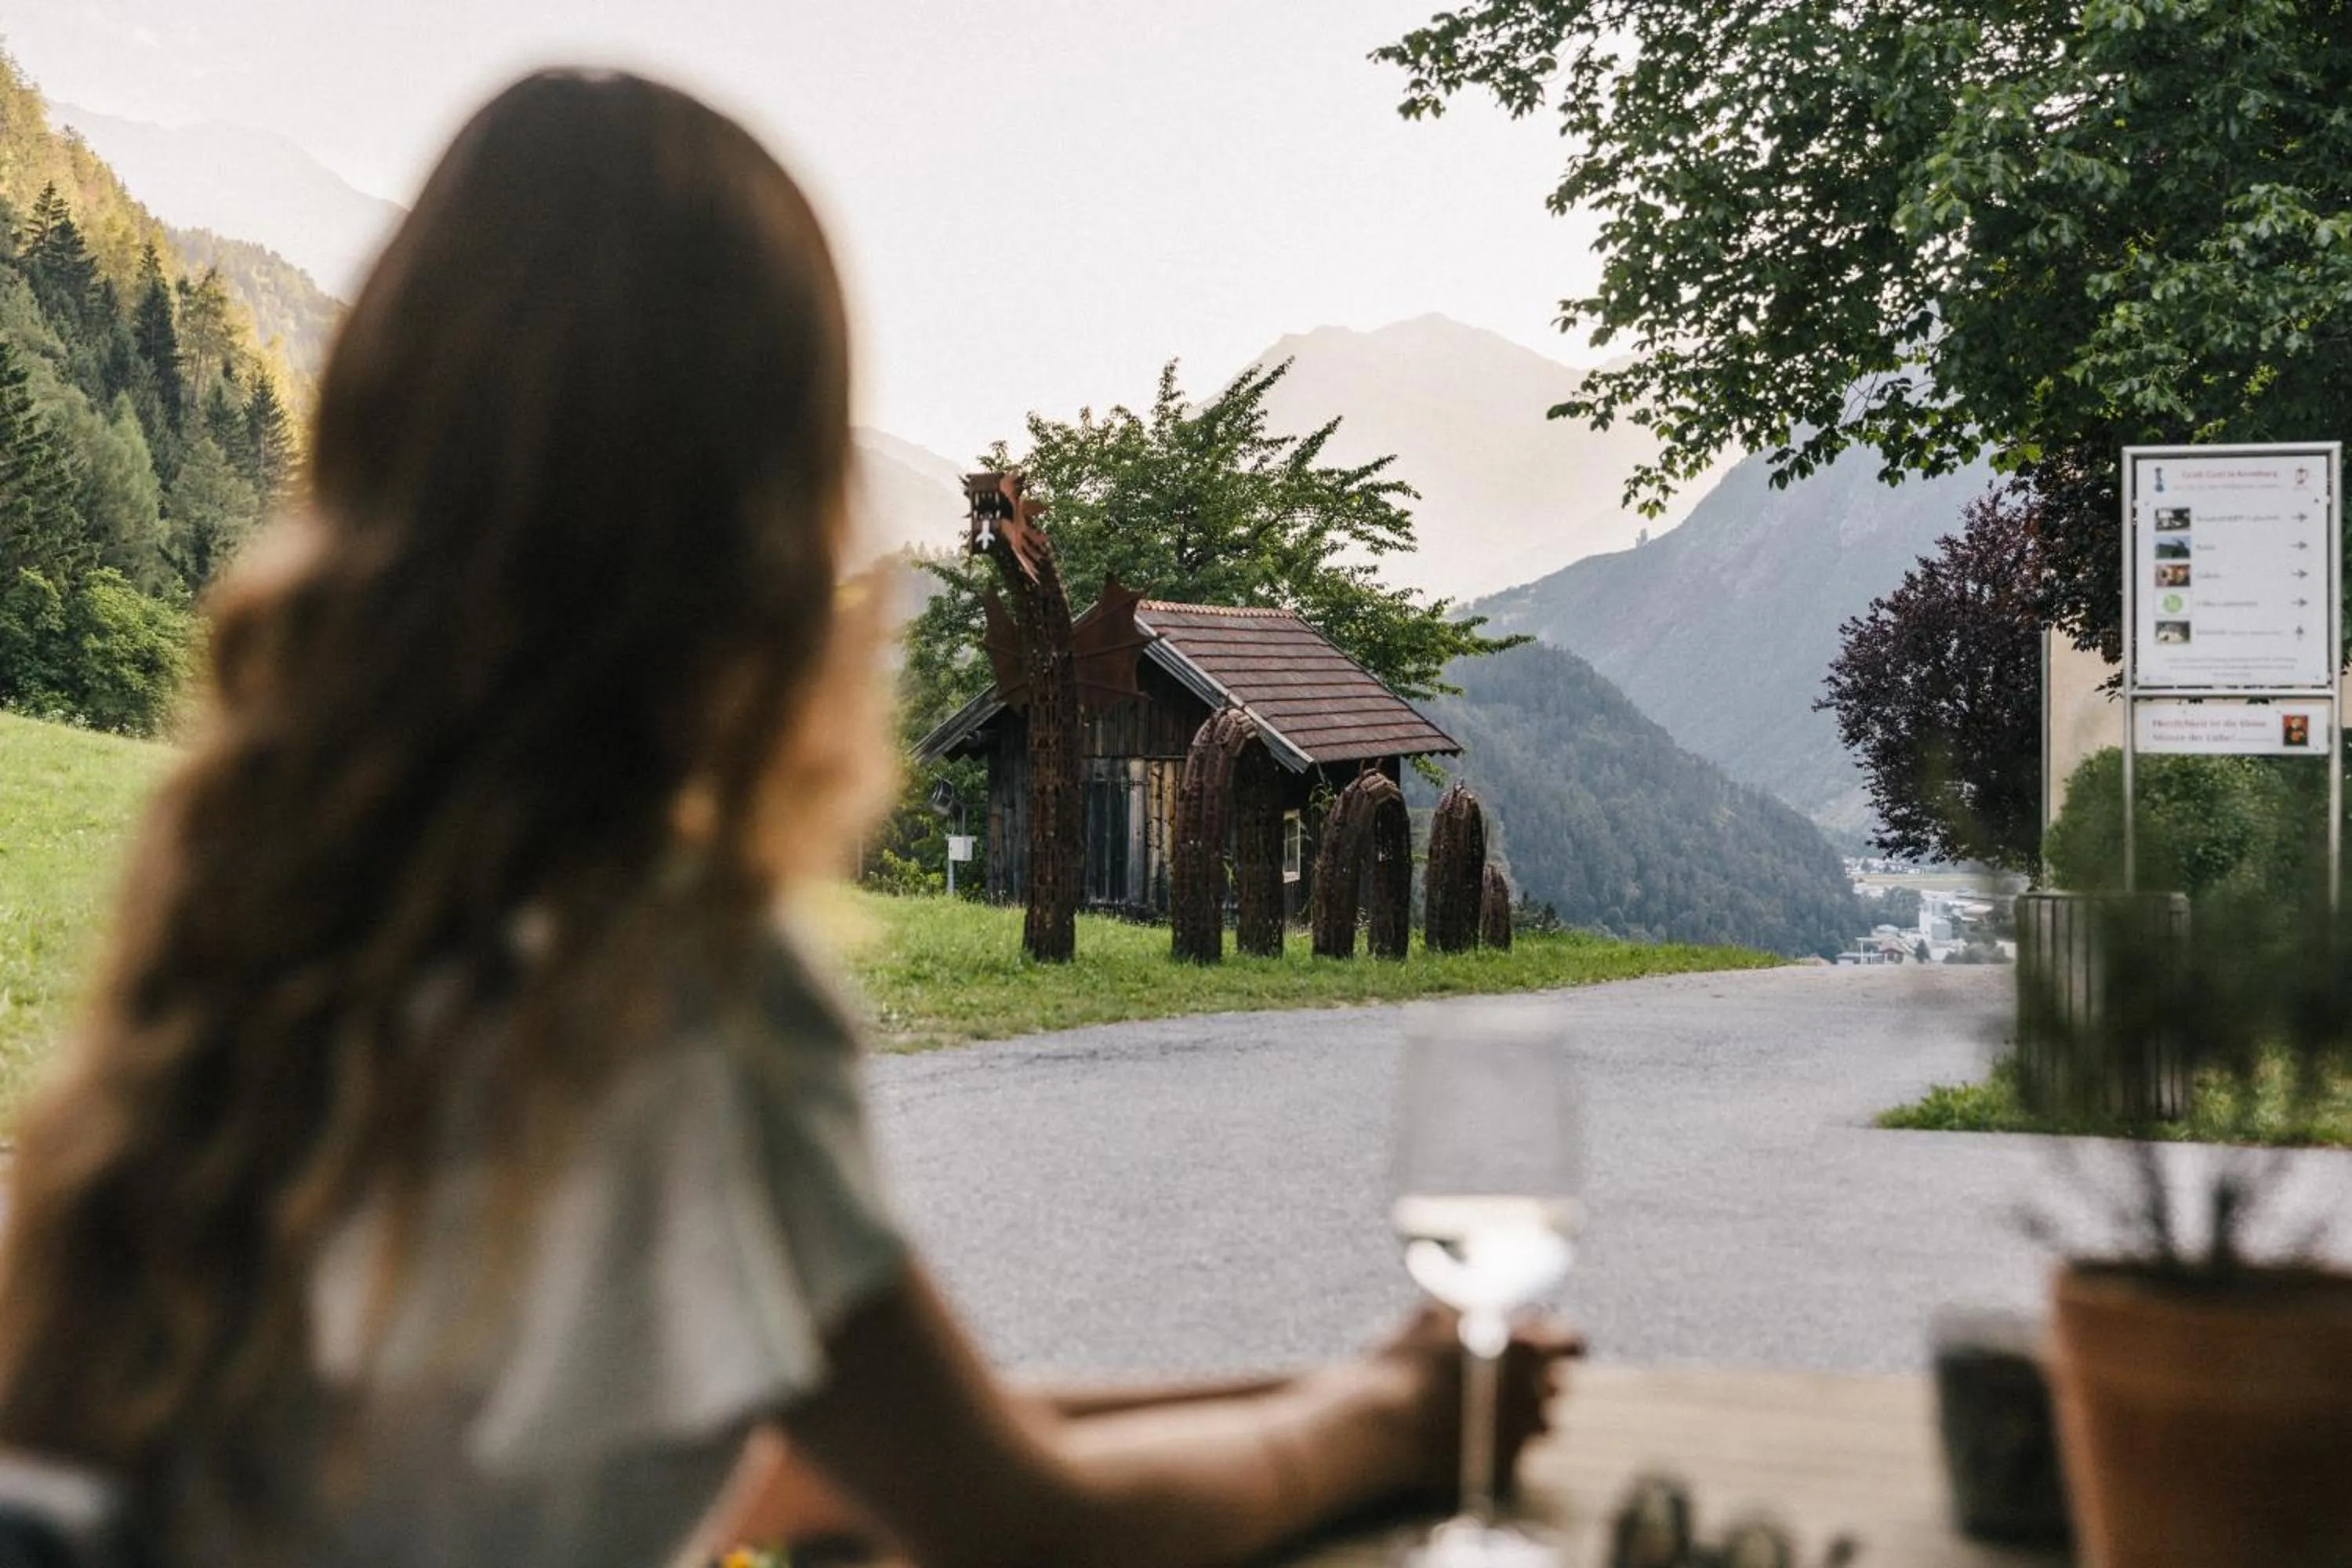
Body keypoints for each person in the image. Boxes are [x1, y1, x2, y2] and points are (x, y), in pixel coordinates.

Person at [0, 71, 1573, 1568]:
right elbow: (1025, 1527)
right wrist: (1377, 1426)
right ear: (765, 520)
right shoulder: (669, 980)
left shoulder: (271, 913)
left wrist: (1327, 1393)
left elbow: (778, 1453)